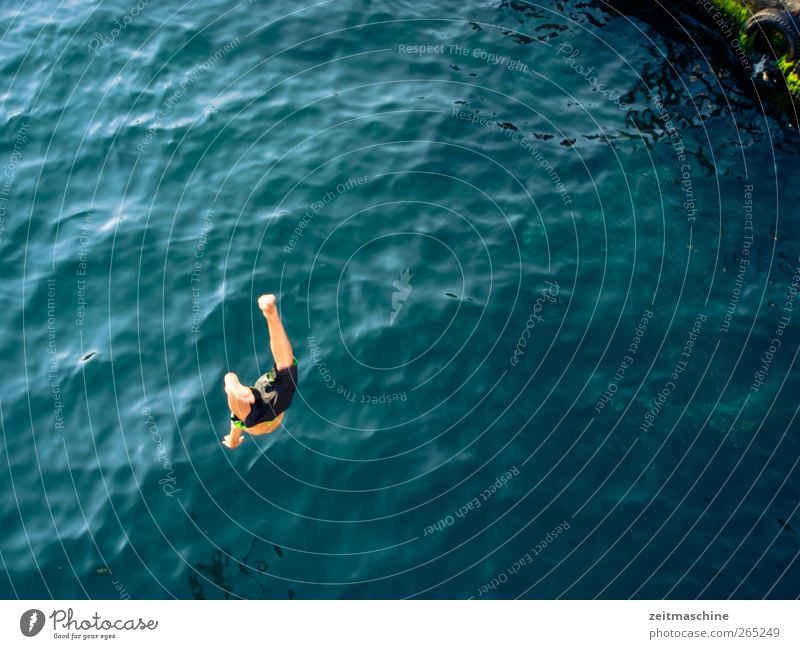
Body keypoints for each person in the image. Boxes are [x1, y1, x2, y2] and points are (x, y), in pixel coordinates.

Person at [222, 294, 298, 449]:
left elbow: (235, 432)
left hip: (275, 407)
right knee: (285, 365)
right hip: (273, 405)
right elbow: (235, 432)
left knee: (285, 366)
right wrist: (233, 441)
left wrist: (233, 442)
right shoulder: (241, 419)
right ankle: (271, 315)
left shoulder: (241, 421)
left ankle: (231, 383)